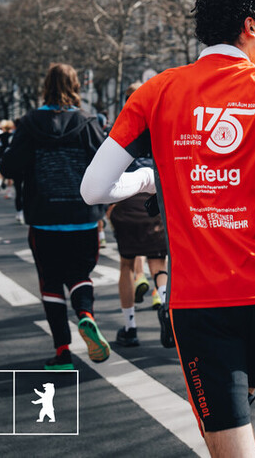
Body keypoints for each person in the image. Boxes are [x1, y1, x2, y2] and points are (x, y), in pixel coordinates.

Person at [79, 0, 255, 457]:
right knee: (235, 422)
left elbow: (94, 188)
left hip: (202, 305)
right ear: (249, 25)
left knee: (229, 444)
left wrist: (149, 178)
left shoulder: (155, 92)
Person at [0, 63, 110, 371]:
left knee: (50, 282)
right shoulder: (88, 122)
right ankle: (86, 316)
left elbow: (9, 167)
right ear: (76, 85)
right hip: (84, 215)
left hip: (43, 216)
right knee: (80, 275)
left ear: (45, 86)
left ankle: (62, 352)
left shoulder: (30, 122)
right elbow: (105, 161)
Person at [108, 82, 173, 348]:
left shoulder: (121, 128)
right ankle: (167, 305)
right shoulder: (164, 124)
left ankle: (130, 327)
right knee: (159, 263)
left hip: (126, 201)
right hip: (156, 201)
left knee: (126, 264)